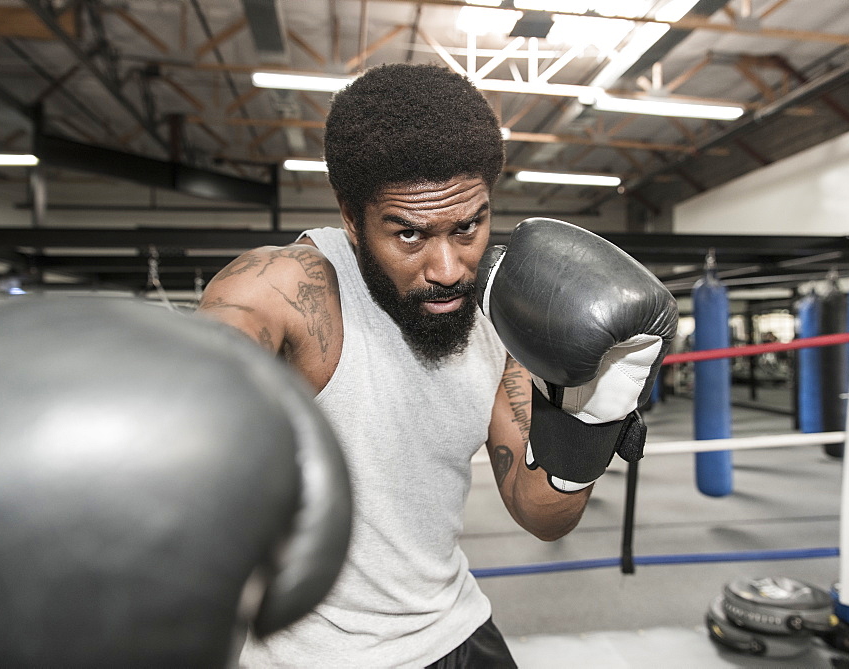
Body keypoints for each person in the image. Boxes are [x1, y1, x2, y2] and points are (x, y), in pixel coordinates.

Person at [197, 63, 677, 668]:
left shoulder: (498, 315)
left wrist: (596, 418)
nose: (449, 268)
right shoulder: (290, 288)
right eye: (409, 235)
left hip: (456, 628)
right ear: (351, 217)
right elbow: (201, 366)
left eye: (468, 226)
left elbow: (540, 515)